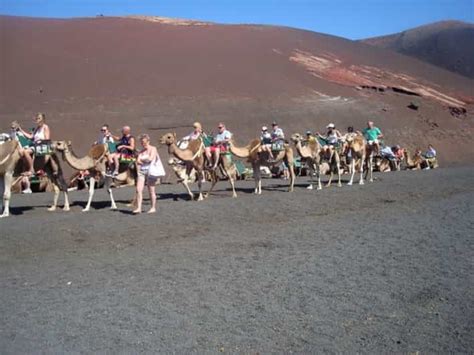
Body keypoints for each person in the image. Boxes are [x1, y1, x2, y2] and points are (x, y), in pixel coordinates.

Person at [133, 134, 164, 214]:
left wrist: (142, 160)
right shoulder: (141, 151)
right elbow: (138, 161)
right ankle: (139, 208)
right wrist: (143, 160)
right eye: (142, 143)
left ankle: (153, 207)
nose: (143, 144)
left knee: (151, 190)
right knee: (138, 189)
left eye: (144, 142)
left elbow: (151, 158)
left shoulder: (153, 149)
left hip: (151, 171)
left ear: (148, 141)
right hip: (142, 171)